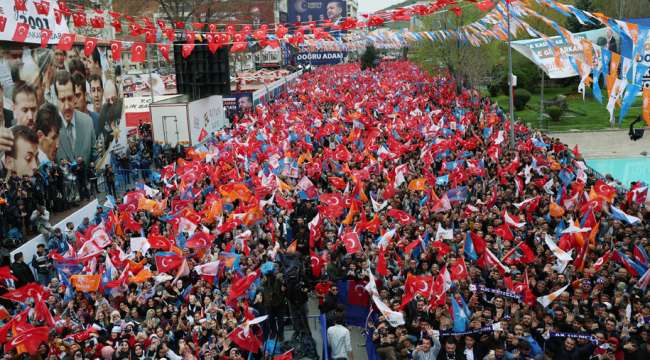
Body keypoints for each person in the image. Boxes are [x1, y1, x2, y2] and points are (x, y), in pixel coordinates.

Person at [54, 70, 96, 163]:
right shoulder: (51, 128)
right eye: (62, 100)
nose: (67, 106)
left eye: (69, 98)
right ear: (56, 100)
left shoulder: (87, 122)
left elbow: (95, 158)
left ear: (74, 97)